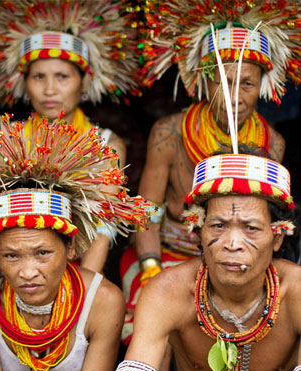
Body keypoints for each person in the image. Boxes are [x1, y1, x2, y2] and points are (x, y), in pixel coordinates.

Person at [0, 114, 151, 371]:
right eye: (11, 256)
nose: (28, 272)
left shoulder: (103, 301)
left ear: (71, 248)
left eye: (43, 253)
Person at [120, 0, 301, 347]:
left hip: (239, 255)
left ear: (262, 85)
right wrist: (152, 268)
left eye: (247, 84)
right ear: (203, 83)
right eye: (224, 82)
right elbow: (148, 209)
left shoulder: (272, 143)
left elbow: (269, 218)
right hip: (169, 253)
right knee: (152, 311)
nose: (235, 97)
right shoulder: (169, 132)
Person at [0, 0, 141, 273]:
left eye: (62, 77)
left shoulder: (106, 145)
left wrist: (86, 287)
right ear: (26, 83)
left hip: (79, 268)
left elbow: (102, 226)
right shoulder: (8, 138)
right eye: (39, 77)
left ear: (84, 82)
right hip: (18, 271)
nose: (50, 89)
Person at [116, 149, 299, 371]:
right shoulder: (167, 291)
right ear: (198, 230)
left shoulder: (297, 292)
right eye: (218, 226)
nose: (232, 244)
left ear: (277, 237)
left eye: (251, 228)